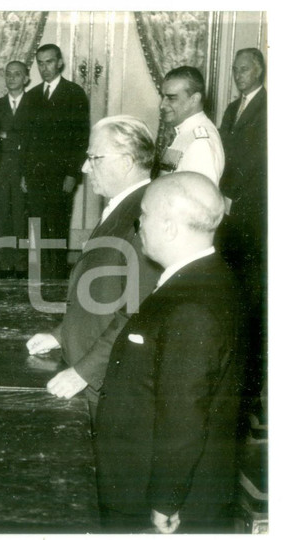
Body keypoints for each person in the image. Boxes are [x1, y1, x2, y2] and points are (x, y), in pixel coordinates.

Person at [95, 172, 241, 533]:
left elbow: (183, 416)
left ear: (171, 227)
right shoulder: (209, 277)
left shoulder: (192, 308)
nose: (138, 223)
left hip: (154, 499)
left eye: (143, 214)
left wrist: (165, 500)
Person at [27, 116, 160, 420]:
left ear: (126, 161)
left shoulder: (145, 215)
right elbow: (104, 293)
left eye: (94, 158)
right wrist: (62, 335)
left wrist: (84, 372)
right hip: (88, 360)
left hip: (106, 381)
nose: (85, 168)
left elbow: (136, 314)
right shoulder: (124, 205)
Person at [217, 48, 267, 417]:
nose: (239, 76)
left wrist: (232, 196)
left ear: (261, 70)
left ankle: (252, 396)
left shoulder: (270, 107)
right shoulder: (233, 109)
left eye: (245, 70)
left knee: (253, 297)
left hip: (255, 213)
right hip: (231, 212)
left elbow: (259, 162)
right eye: (235, 70)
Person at [24, 44, 90, 279]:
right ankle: (44, 275)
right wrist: (25, 174)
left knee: (59, 226)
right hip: (35, 176)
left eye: (49, 62)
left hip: (62, 175)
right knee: (40, 227)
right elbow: (26, 140)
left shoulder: (74, 93)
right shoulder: (31, 96)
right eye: (40, 63)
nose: (45, 68)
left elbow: (81, 138)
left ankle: (58, 276)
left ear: (60, 62)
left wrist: (73, 174)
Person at [0, 61, 33, 277]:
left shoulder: (35, 104)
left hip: (24, 171)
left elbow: (34, 140)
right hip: (0, 171)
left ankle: (22, 264)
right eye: (8, 74)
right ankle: (7, 263)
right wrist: (16, 139)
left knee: (21, 218)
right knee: (4, 217)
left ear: (26, 78)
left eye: (17, 74)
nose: (12, 77)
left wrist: (6, 136)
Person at [156, 66, 224, 184]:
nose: (162, 105)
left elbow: (200, 199)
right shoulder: (184, 133)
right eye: (163, 97)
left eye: (171, 98)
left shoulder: (200, 144)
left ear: (194, 99)